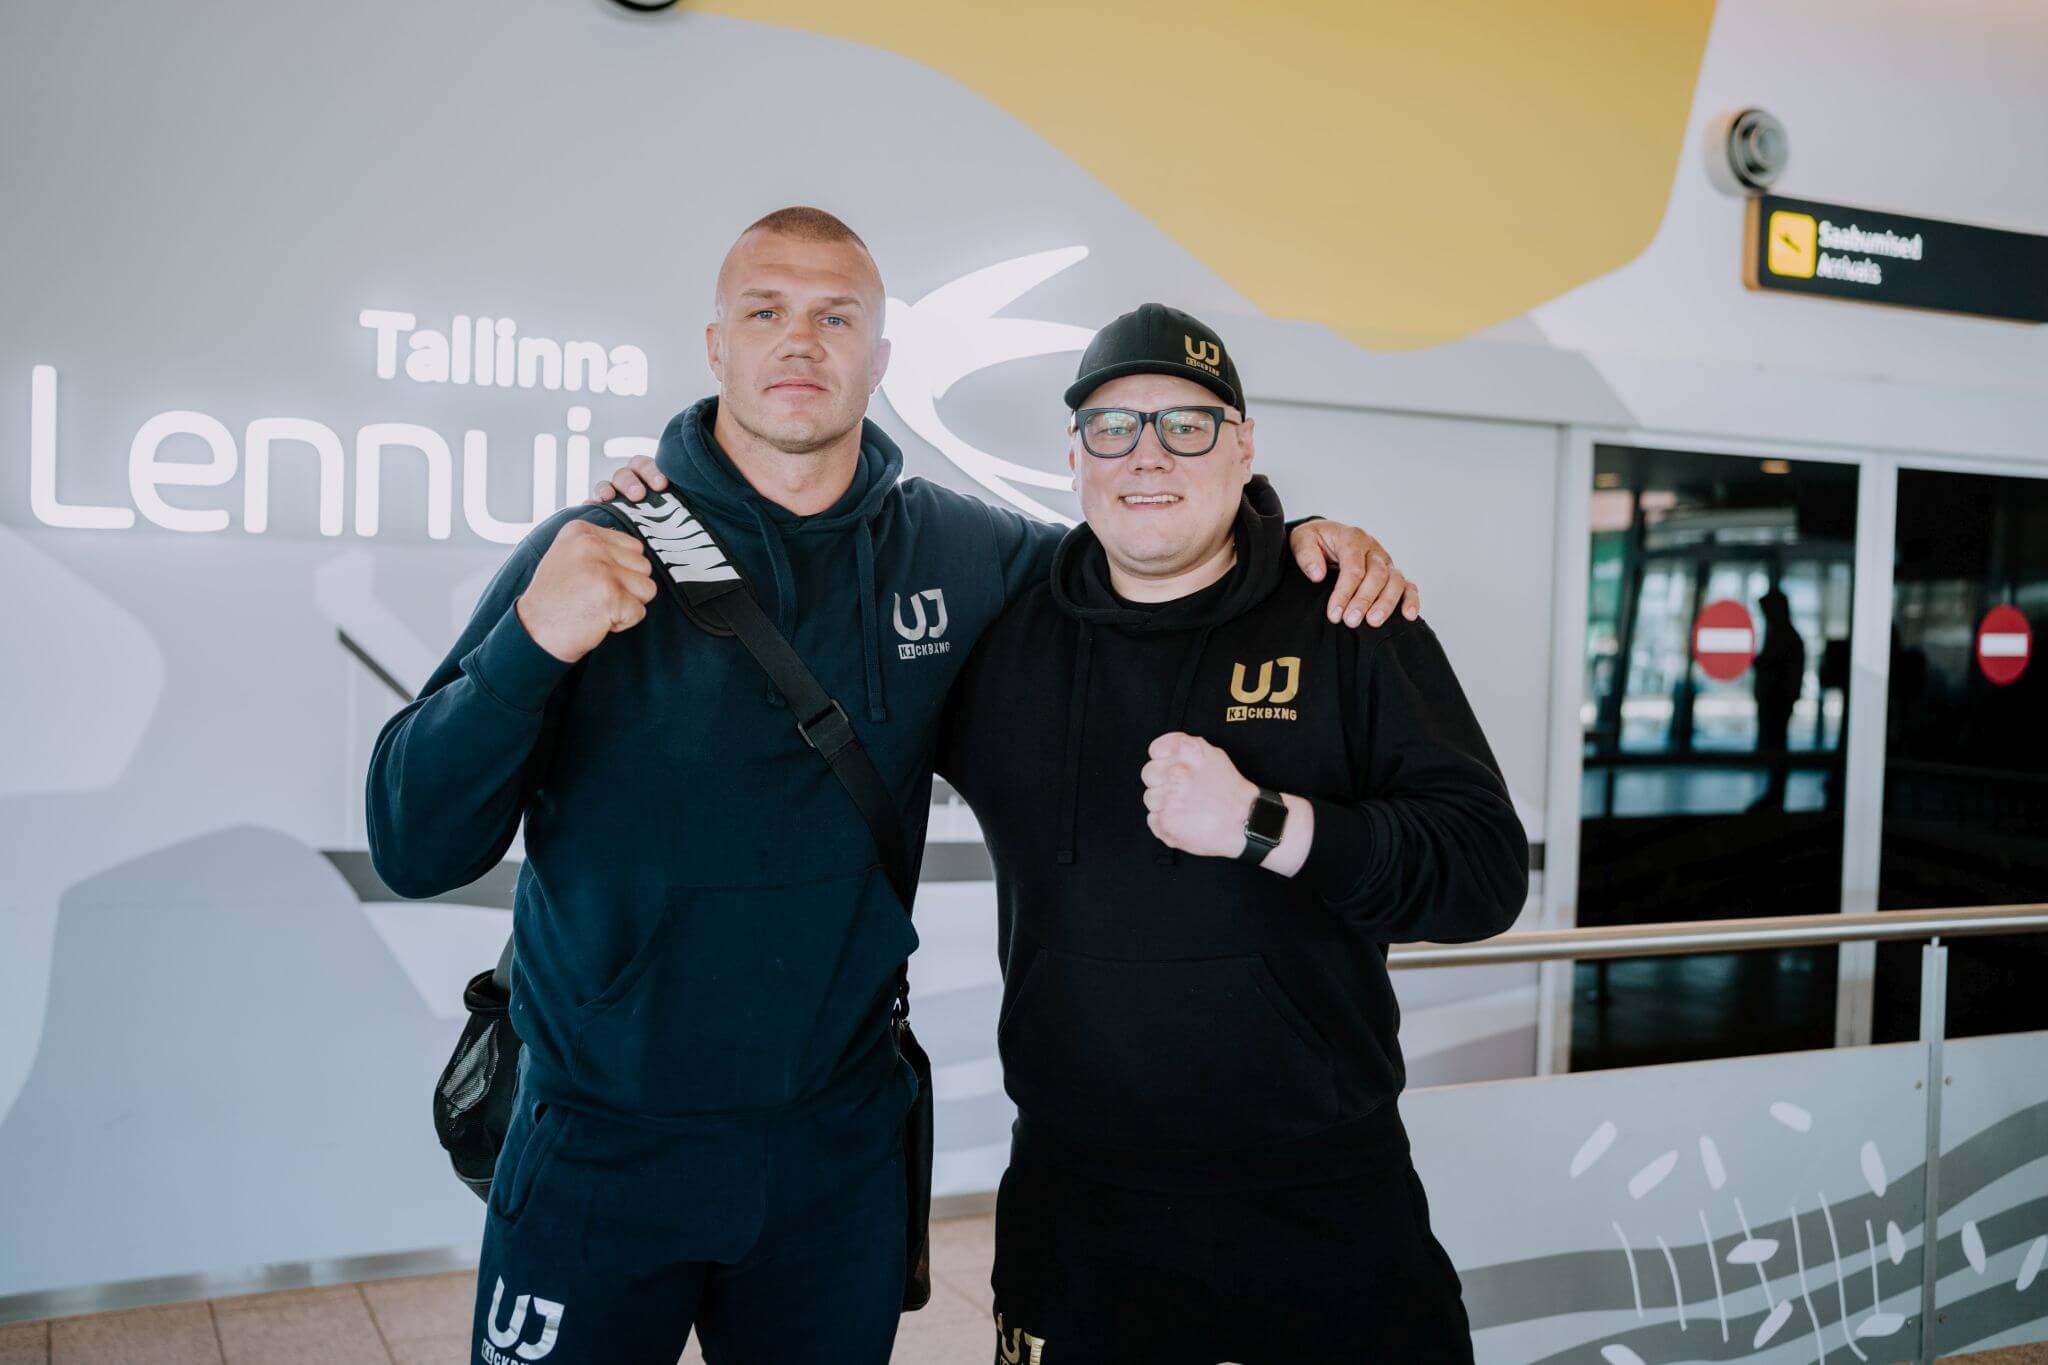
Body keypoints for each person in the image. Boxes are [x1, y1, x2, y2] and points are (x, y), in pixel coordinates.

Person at [369, 208, 1414, 1365]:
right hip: (601, 1143)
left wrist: (1291, 536)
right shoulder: (592, 550)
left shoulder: (961, 553)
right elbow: (415, 844)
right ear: (715, 345)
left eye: (835, 318)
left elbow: (1147, 549)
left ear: (879, 356)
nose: (799, 341)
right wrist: (528, 643)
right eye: (765, 312)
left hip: (834, 1156)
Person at [936, 303, 1529, 1363]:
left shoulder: (1346, 617)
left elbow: (1482, 874)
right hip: (1077, 1207)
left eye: (1187, 424)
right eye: (1113, 427)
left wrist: (1269, 826)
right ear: (1073, 455)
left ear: (1243, 447)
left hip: (1320, 1192)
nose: (1147, 455)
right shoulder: (1004, 644)